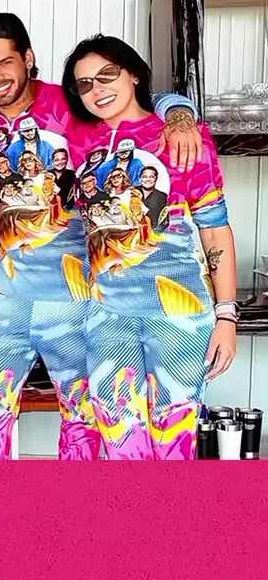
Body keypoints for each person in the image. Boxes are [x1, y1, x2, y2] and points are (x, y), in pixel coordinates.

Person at [0, 13, 204, 460]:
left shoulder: (69, 104)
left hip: (73, 296)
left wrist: (180, 113)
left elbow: (135, 102)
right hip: (5, 296)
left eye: (6, 63)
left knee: (83, 415)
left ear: (28, 58)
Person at [61, 34, 237, 460]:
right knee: (119, 437)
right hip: (107, 316)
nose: (97, 89)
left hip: (177, 313)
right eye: (85, 84)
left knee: (173, 439)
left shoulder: (182, 138)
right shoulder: (82, 144)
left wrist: (227, 317)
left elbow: (215, 230)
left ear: (134, 74)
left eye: (107, 74)